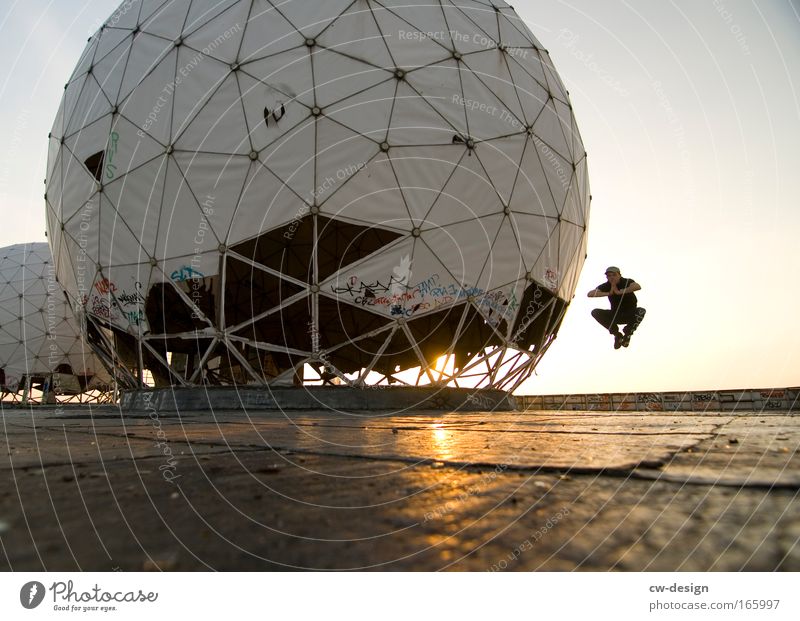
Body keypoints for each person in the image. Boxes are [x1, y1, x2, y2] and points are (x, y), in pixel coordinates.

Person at [588, 266, 646, 349]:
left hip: (629, 313)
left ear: (619, 275)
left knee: (641, 311)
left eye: (614, 275)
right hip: (616, 315)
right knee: (595, 312)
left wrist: (620, 292)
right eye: (609, 276)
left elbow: (637, 286)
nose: (611, 277)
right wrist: (609, 293)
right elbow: (590, 294)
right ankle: (617, 335)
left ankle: (628, 334)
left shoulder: (626, 281)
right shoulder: (607, 285)